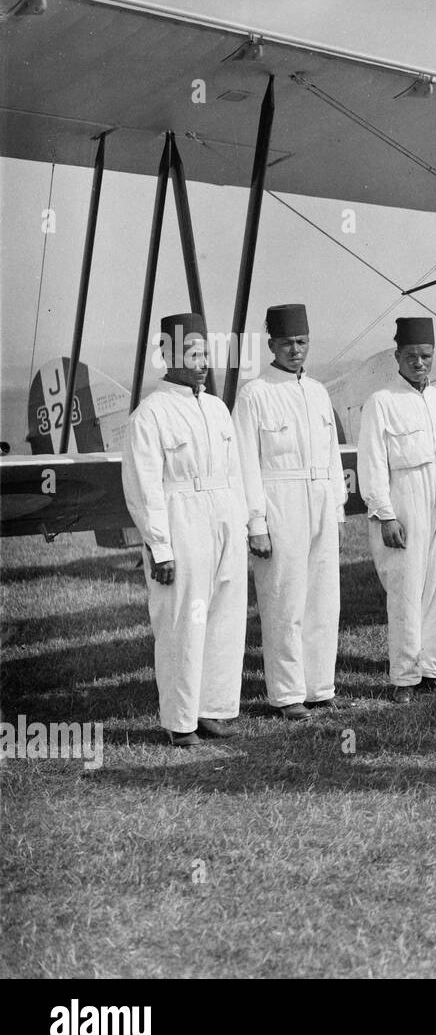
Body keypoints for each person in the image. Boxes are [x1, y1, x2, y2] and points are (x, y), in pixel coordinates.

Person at [121, 312, 249, 746]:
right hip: (181, 521)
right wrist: (160, 547)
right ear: (167, 356)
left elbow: (236, 474)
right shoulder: (151, 414)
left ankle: (212, 709)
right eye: (190, 354)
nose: (200, 362)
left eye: (203, 353)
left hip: (223, 517)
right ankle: (180, 723)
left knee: (224, 616)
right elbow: (143, 488)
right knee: (183, 621)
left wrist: (243, 524)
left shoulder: (216, 408)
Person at [233, 304, 347, 722]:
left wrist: (335, 510)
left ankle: (320, 687)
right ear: (271, 346)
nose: (295, 350)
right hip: (280, 501)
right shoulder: (255, 393)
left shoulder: (317, 391)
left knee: (323, 600)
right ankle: (286, 694)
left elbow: (332, 457)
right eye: (286, 344)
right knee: (285, 601)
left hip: (319, 497)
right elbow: (245, 463)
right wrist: (256, 523)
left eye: (301, 342)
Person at [357, 317, 436, 703]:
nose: (420, 363)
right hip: (406, 503)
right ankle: (405, 677)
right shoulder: (382, 401)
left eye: (426, 356)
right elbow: (373, 462)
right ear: (398, 356)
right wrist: (384, 514)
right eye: (411, 356)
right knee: (407, 590)